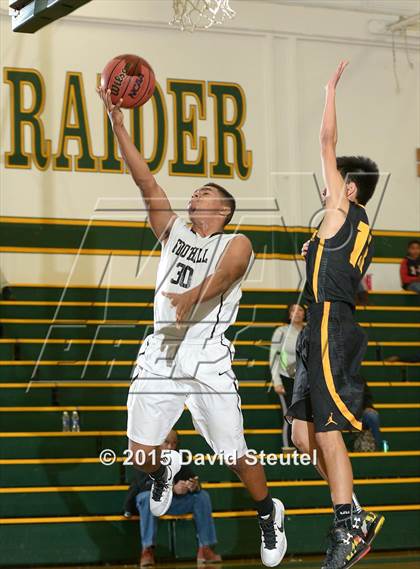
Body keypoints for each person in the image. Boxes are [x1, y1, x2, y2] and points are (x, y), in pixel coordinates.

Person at [97, 87, 287, 568]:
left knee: (235, 454)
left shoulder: (236, 242)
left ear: (221, 211)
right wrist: (118, 123)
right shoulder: (174, 232)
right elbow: (145, 181)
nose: (195, 194)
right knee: (139, 456)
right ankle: (166, 468)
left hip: (207, 360)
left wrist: (191, 297)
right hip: (161, 353)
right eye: (196, 191)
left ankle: (268, 512)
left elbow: (227, 276)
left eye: (205, 192)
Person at [286, 61, 384, 569]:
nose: (327, 182)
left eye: (335, 180)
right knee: (303, 437)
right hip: (320, 324)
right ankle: (357, 514)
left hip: (332, 325)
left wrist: (328, 91)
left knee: (327, 432)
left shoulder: (343, 212)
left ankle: (347, 524)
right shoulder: (348, 226)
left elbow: (327, 143)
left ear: (350, 189)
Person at [124, 430, 221, 567]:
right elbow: (144, 486)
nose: (170, 447)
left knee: (202, 496)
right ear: (158, 443)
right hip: (154, 502)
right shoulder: (146, 457)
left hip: (173, 503)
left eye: (174, 443)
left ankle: (205, 548)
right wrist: (172, 489)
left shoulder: (178, 458)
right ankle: (147, 550)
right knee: (145, 497)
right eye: (166, 443)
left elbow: (193, 478)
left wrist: (194, 485)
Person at [270, 304, 306, 449]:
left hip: (306, 380)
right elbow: (274, 357)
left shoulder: (310, 331)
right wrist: (276, 382)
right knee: (291, 416)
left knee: (307, 417)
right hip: (287, 379)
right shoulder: (281, 331)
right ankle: (289, 450)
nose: (297, 313)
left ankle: (305, 449)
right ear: (289, 314)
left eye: (300, 310)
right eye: (293, 310)